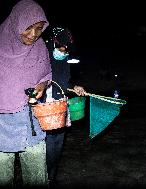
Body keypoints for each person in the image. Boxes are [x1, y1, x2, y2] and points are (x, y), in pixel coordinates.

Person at [0, 0, 51, 187]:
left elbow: (45, 73)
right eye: (28, 28)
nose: (33, 35)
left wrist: (42, 85)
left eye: (38, 29)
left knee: (37, 177)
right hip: (1, 125)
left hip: (31, 123)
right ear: (16, 23)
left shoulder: (39, 47)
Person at [43, 25, 86, 185]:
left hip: (60, 107)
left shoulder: (64, 59)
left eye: (68, 49)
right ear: (54, 42)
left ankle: (51, 178)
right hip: (45, 109)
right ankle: (43, 177)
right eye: (62, 47)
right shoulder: (42, 56)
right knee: (47, 147)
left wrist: (74, 87)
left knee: (57, 145)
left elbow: (63, 82)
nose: (65, 51)